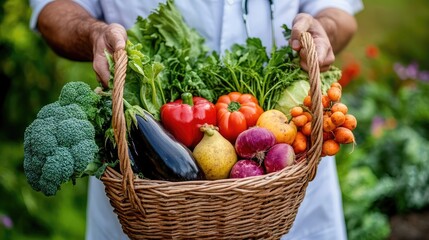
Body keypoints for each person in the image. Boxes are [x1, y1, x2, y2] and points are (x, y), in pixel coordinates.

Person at [29, 0, 363, 239]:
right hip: (148, 199)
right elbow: (51, 11)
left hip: (285, 177)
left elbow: (340, 13)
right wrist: (93, 34)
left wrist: (324, 31)